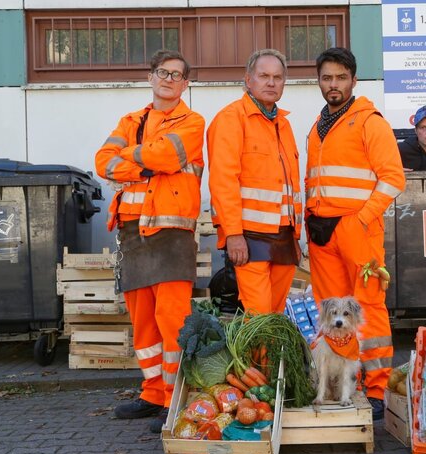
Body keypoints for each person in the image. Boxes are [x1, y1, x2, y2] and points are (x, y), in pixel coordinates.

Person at [95, 50, 205, 433]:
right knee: (143, 324)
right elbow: (103, 161)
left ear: (185, 84)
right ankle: (152, 393)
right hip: (131, 232)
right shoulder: (129, 121)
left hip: (172, 234)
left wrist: (134, 163)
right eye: (163, 72)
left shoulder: (192, 122)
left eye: (177, 75)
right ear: (150, 76)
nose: (169, 79)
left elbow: (170, 155)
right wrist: (146, 163)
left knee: (172, 321)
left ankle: (176, 396)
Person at [305, 47, 406, 421]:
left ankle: (377, 389)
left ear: (353, 80)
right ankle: (340, 388)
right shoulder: (318, 126)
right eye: (327, 78)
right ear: (319, 81)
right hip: (321, 233)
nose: (333, 84)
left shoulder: (369, 121)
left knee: (368, 309)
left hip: (357, 231)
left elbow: (394, 177)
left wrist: (361, 219)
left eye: (340, 78)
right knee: (332, 311)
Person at [207, 49, 302, 315]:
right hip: (249, 238)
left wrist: (295, 236)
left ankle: (270, 359)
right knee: (258, 314)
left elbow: (290, 186)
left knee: (275, 313)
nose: (271, 82)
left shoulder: (283, 124)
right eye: (264, 76)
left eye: (278, 77)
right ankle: (256, 360)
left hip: (283, 238)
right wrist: (234, 235)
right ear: (248, 80)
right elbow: (223, 181)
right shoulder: (230, 119)